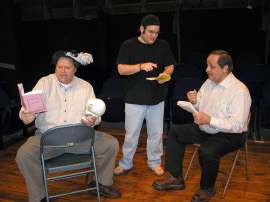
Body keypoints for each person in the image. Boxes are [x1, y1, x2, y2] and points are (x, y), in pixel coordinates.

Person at [15, 50, 121, 202]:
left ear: (75, 69)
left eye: (67, 67)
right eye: (59, 67)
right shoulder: (44, 83)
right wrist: (25, 114)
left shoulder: (85, 87)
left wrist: (93, 120)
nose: (62, 71)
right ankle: (39, 196)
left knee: (111, 144)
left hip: (80, 138)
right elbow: (29, 106)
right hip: (48, 139)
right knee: (24, 155)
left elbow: (95, 114)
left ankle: (101, 183)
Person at [152, 50, 251, 202]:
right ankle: (175, 177)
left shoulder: (239, 90)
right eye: (207, 65)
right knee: (175, 132)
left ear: (225, 68)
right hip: (206, 129)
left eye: (211, 66)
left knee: (207, 151)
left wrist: (209, 120)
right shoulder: (209, 83)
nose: (207, 70)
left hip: (231, 135)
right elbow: (201, 108)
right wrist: (194, 102)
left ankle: (207, 188)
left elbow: (237, 125)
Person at [114, 14, 175, 177]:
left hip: (157, 97)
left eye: (157, 32)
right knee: (131, 133)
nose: (154, 35)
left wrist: (165, 75)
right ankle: (125, 163)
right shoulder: (128, 45)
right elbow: (121, 69)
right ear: (142, 29)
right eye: (150, 32)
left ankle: (155, 163)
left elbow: (170, 66)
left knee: (156, 133)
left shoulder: (163, 45)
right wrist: (141, 66)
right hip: (135, 98)